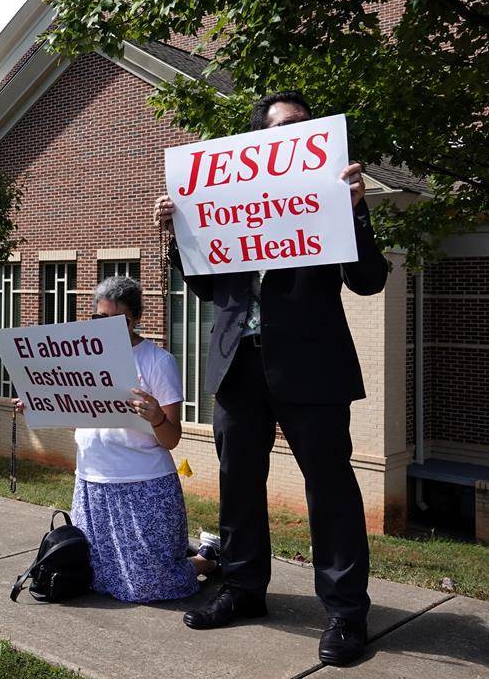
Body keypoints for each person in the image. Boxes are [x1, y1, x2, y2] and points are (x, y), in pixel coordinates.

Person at [154, 90, 389, 666]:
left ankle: (344, 612)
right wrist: (179, 235)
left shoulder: (331, 201)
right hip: (238, 363)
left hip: (312, 364)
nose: (293, 136)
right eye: (281, 128)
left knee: (330, 488)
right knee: (237, 483)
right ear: (259, 141)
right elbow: (212, 288)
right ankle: (241, 588)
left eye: (302, 129)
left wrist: (356, 210)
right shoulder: (229, 204)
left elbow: (368, 280)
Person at [13, 276, 218, 603]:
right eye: (100, 318)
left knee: (149, 584)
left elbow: (172, 439)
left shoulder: (157, 361)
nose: (105, 327)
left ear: (136, 318)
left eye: (116, 319)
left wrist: (156, 417)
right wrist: (41, 405)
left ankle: (207, 557)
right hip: (92, 484)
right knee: (96, 577)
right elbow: (80, 420)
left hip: (144, 485)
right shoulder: (82, 358)